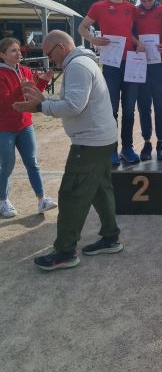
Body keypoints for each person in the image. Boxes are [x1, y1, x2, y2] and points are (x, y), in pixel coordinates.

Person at [13, 30, 123, 271]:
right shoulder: (83, 63)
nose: (50, 60)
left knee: (71, 195)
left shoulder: (77, 67)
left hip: (90, 142)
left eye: (49, 54)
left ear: (61, 48)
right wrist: (45, 101)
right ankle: (111, 237)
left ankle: (65, 251)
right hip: (101, 139)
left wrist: (40, 106)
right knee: (100, 190)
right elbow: (75, 103)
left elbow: (73, 106)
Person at [78, 0, 144, 165]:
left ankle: (127, 148)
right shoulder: (99, 6)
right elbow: (82, 28)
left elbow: (129, 34)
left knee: (129, 109)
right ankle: (111, 150)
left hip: (130, 63)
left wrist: (138, 42)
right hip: (111, 65)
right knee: (111, 110)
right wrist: (93, 39)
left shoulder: (131, 8)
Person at [0, 37, 57, 218]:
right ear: (2, 55)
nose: (18, 53)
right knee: (7, 165)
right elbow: (5, 103)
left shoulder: (25, 70)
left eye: (18, 49)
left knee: (32, 163)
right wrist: (20, 88)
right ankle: (3, 200)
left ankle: (42, 199)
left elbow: (32, 95)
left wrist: (43, 82)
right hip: (4, 128)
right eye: (13, 50)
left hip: (25, 125)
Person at [134, 0, 162, 161]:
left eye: (150, 0)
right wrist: (136, 43)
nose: (147, 4)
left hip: (159, 66)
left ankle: (161, 142)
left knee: (160, 105)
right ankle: (147, 142)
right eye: (143, 1)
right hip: (141, 64)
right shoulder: (134, 11)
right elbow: (128, 32)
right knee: (143, 106)